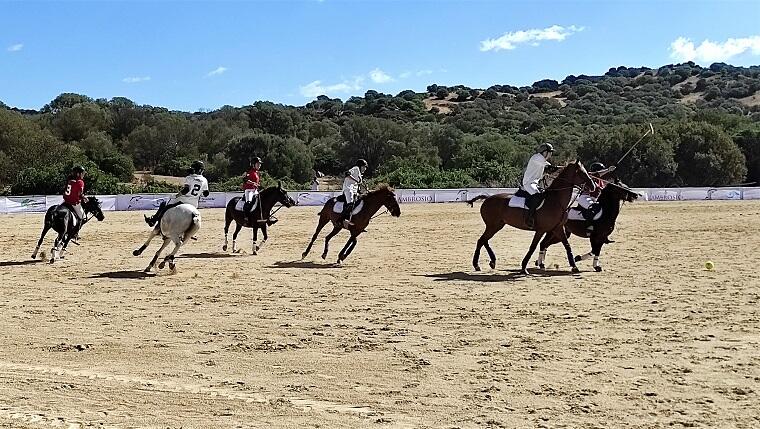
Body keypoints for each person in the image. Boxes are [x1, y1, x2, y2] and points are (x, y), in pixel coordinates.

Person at [144, 160, 209, 227]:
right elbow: (206, 194)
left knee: (164, 204)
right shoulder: (204, 180)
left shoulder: (189, 178)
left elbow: (185, 190)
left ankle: (153, 220)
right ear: (201, 170)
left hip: (183, 201)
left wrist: (176, 196)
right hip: (194, 204)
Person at [520, 143, 559, 229]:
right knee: (537, 195)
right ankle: (529, 218)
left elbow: (551, 169)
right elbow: (550, 168)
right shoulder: (537, 157)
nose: (551, 154)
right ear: (544, 152)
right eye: (550, 152)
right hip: (528, 183)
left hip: (536, 183)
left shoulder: (541, 159)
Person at [62, 165, 88, 241]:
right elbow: (79, 193)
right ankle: (74, 233)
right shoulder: (80, 182)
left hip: (66, 201)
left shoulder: (70, 180)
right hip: (74, 202)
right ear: (78, 174)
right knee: (83, 218)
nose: (83, 175)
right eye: (82, 173)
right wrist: (84, 197)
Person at [341, 159, 367, 226]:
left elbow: (358, 186)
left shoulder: (360, 174)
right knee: (351, 204)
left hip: (354, 191)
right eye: (364, 167)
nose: (365, 169)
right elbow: (347, 174)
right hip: (348, 189)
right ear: (360, 166)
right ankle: (344, 220)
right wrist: (356, 180)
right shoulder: (355, 168)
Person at [242, 157, 265, 224]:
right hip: (249, 190)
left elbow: (257, 183)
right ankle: (246, 218)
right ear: (253, 164)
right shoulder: (249, 171)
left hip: (255, 190)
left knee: (262, 201)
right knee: (248, 202)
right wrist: (253, 183)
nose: (259, 165)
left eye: (260, 164)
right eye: (258, 164)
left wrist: (259, 185)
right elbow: (245, 180)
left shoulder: (257, 173)